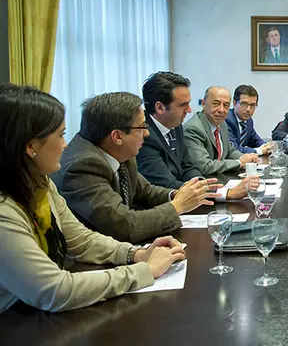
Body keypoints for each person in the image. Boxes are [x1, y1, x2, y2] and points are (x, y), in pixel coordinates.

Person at [0, 84, 185, 313]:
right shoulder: (4, 212)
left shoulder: (40, 183)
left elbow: (80, 239)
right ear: (31, 147)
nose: (66, 145)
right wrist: (144, 271)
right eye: (60, 135)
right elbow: (54, 290)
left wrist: (135, 254)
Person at [51, 92, 218, 244]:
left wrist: (176, 194)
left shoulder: (118, 151)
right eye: (142, 127)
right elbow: (125, 226)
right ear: (117, 136)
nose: (147, 133)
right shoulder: (82, 167)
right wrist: (178, 206)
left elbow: (145, 191)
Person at [184, 86, 261, 200]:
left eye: (225, 105)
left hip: (221, 181)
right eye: (216, 104)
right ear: (204, 104)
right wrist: (239, 162)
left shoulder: (222, 123)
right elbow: (205, 166)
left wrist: (246, 158)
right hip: (204, 190)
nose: (221, 110)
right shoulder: (194, 129)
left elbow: (229, 149)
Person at [136, 71, 204, 189]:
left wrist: (200, 182)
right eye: (183, 105)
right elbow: (165, 183)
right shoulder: (143, 134)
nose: (189, 110)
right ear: (160, 107)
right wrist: (216, 193)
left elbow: (188, 166)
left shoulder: (175, 125)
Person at [224, 84, 274, 156]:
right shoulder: (226, 120)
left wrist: (267, 146)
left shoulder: (248, 121)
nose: (248, 109)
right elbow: (233, 149)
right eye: (244, 104)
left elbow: (255, 140)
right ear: (234, 103)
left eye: (252, 105)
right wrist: (259, 151)